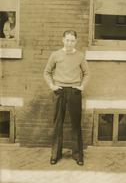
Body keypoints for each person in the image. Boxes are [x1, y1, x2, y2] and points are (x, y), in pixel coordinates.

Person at [44, 30, 89, 166]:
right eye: (67, 40)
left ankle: (78, 155)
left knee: (76, 124)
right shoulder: (55, 55)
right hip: (59, 91)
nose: (70, 43)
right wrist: (52, 86)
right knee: (58, 123)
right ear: (63, 40)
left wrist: (81, 86)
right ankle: (55, 155)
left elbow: (87, 73)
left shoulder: (80, 56)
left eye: (72, 40)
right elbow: (46, 72)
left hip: (74, 91)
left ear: (76, 41)